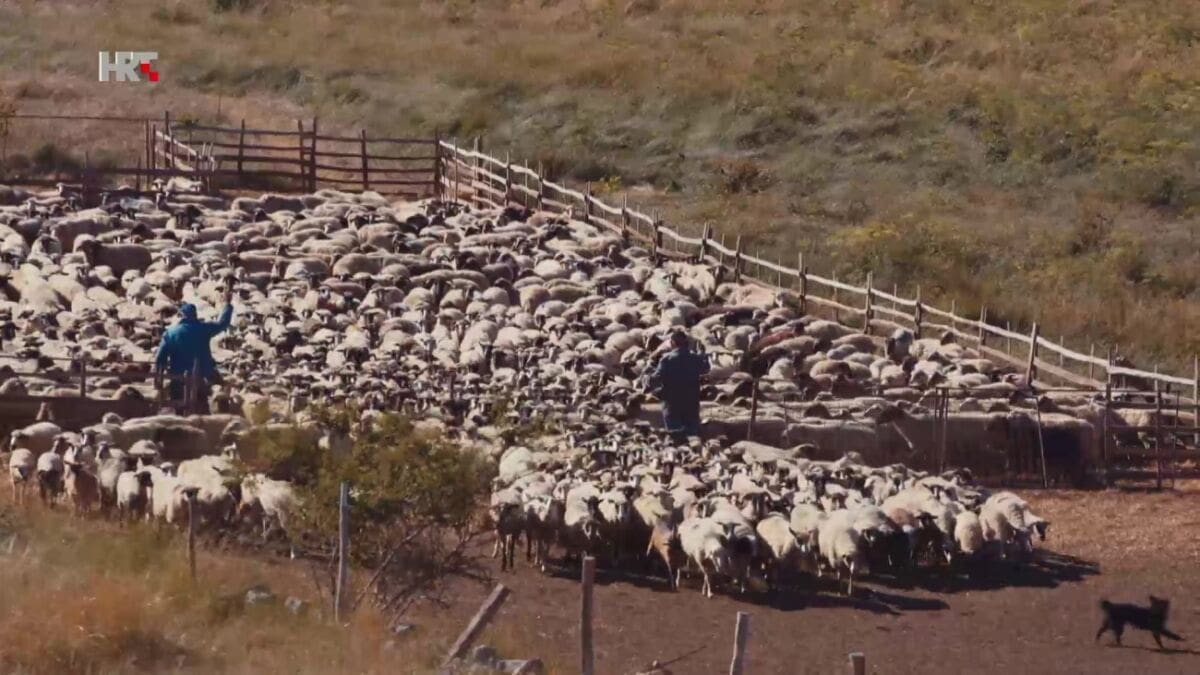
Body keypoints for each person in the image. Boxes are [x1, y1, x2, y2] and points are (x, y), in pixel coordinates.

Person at [155, 287, 235, 410]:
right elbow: (222, 324)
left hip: (178, 379)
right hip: (201, 378)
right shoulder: (203, 328)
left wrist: (158, 378)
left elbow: (160, 358)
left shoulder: (170, 333)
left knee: (179, 410)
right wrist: (227, 305)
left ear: (180, 316)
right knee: (201, 409)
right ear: (195, 315)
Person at [646, 329, 710, 440]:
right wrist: (703, 355)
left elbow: (654, 380)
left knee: (675, 435)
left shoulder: (667, 359)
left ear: (672, 343)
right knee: (692, 435)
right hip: (691, 402)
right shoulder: (695, 358)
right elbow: (706, 369)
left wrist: (649, 369)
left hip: (672, 403)